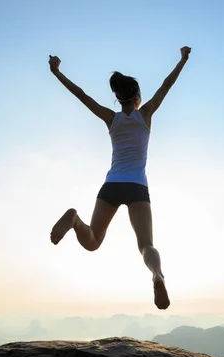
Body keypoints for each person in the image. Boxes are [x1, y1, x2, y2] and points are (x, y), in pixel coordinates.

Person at [48, 46, 191, 310]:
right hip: (137, 187)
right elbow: (167, 84)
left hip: (111, 186)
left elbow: (81, 95)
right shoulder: (145, 115)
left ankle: (74, 220)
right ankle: (157, 274)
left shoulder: (110, 118)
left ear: (117, 97)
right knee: (146, 245)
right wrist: (183, 60)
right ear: (137, 97)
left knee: (92, 241)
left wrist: (57, 72)